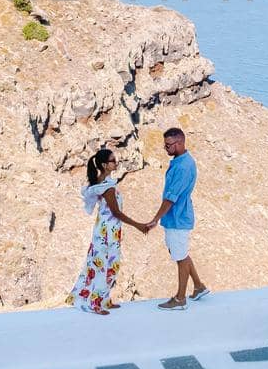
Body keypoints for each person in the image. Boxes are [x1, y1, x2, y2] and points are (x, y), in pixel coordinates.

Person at [69, 147, 149, 315]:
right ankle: (95, 303)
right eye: (113, 161)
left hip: (104, 228)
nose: (116, 163)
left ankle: (103, 299)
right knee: (107, 265)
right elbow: (116, 212)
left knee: (99, 263)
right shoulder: (108, 187)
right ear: (105, 165)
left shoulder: (100, 181)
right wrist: (139, 225)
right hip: (108, 231)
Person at [144, 126, 209, 310]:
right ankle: (198, 286)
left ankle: (180, 299)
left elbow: (170, 198)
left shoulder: (182, 167)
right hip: (179, 217)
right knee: (182, 253)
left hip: (177, 218)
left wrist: (155, 219)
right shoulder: (184, 160)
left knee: (180, 258)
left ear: (179, 143)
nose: (166, 149)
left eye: (168, 145)